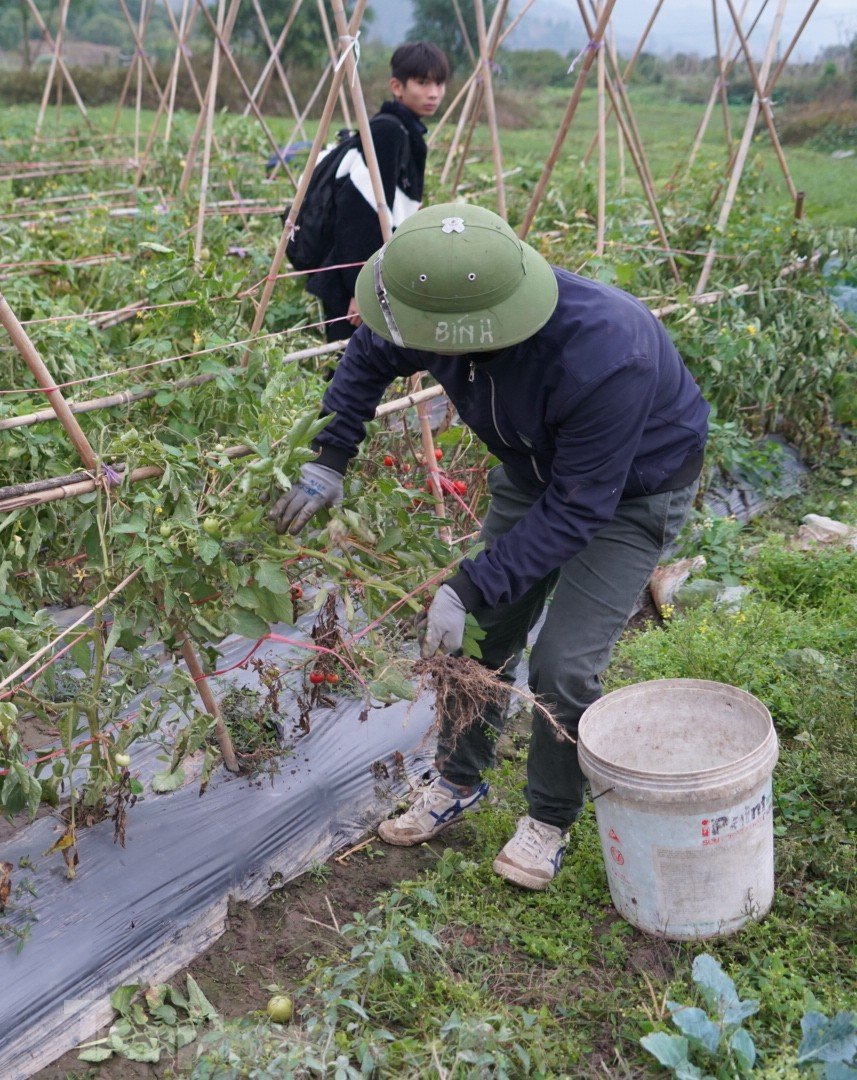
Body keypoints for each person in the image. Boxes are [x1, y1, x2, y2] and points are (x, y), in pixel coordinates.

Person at [269, 204, 709, 891]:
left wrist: (467, 581)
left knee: (564, 663)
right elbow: (369, 354)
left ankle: (549, 820)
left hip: (629, 491)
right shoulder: (436, 314)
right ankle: (455, 779)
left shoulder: (604, 355)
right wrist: (330, 456)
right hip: (536, 472)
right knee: (478, 637)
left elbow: (580, 506)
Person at [306, 41, 448, 344]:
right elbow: (360, 217)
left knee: (359, 362)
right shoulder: (388, 133)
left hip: (372, 272)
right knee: (348, 364)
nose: (433, 92)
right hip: (354, 277)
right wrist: (362, 291)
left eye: (439, 83)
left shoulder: (406, 132)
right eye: (422, 83)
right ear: (397, 86)